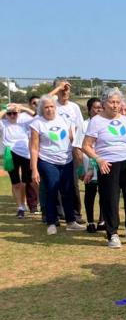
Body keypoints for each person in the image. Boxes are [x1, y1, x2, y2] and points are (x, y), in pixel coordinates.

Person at [81, 87, 126, 248]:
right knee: (110, 200)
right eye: (112, 102)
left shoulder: (125, 120)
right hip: (108, 164)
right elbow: (86, 146)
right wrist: (98, 160)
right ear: (104, 103)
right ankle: (112, 234)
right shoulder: (96, 121)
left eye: (118, 102)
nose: (115, 105)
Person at [29, 96, 85, 235]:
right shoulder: (37, 123)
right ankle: (51, 222)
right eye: (46, 107)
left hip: (66, 160)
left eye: (52, 106)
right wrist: (34, 169)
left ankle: (71, 221)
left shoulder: (64, 119)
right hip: (47, 161)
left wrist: (79, 159)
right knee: (52, 190)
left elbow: (72, 139)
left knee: (68, 191)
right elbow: (34, 148)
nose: (49, 109)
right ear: (42, 109)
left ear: (56, 108)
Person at [50, 80, 85, 224]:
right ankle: (59, 213)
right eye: (62, 90)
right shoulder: (52, 106)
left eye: (67, 90)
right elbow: (43, 100)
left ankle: (76, 213)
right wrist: (58, 88)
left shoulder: (74, 107)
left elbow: (80, 127)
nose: (65, 93)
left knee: (73, 183)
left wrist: (78, 146)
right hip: (54, 149)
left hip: (71, 150)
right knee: (55, 183)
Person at [72, 98, 105, 232]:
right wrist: (80, 168)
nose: (98, 110)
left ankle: (102, 221)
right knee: (90, 193)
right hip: (88, 164)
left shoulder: (105, 124)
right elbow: (77, 148)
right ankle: (90, 221)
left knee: (104, 193)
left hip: (103, 163)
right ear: (89, 110)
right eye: (95, 108)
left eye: (100, 107)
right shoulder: (84, 125)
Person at [2, 105, 34, 217]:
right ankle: (20, 207)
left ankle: (34, 203)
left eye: (14, 113)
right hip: (10, 154)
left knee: (28, 181)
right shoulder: (3, 123)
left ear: (18, 113)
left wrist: (22, 108)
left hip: (25, 154)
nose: (12, 116)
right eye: (9, 114)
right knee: (15, 183)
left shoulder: (24, 120)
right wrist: (6, 109)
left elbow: (36, 115)